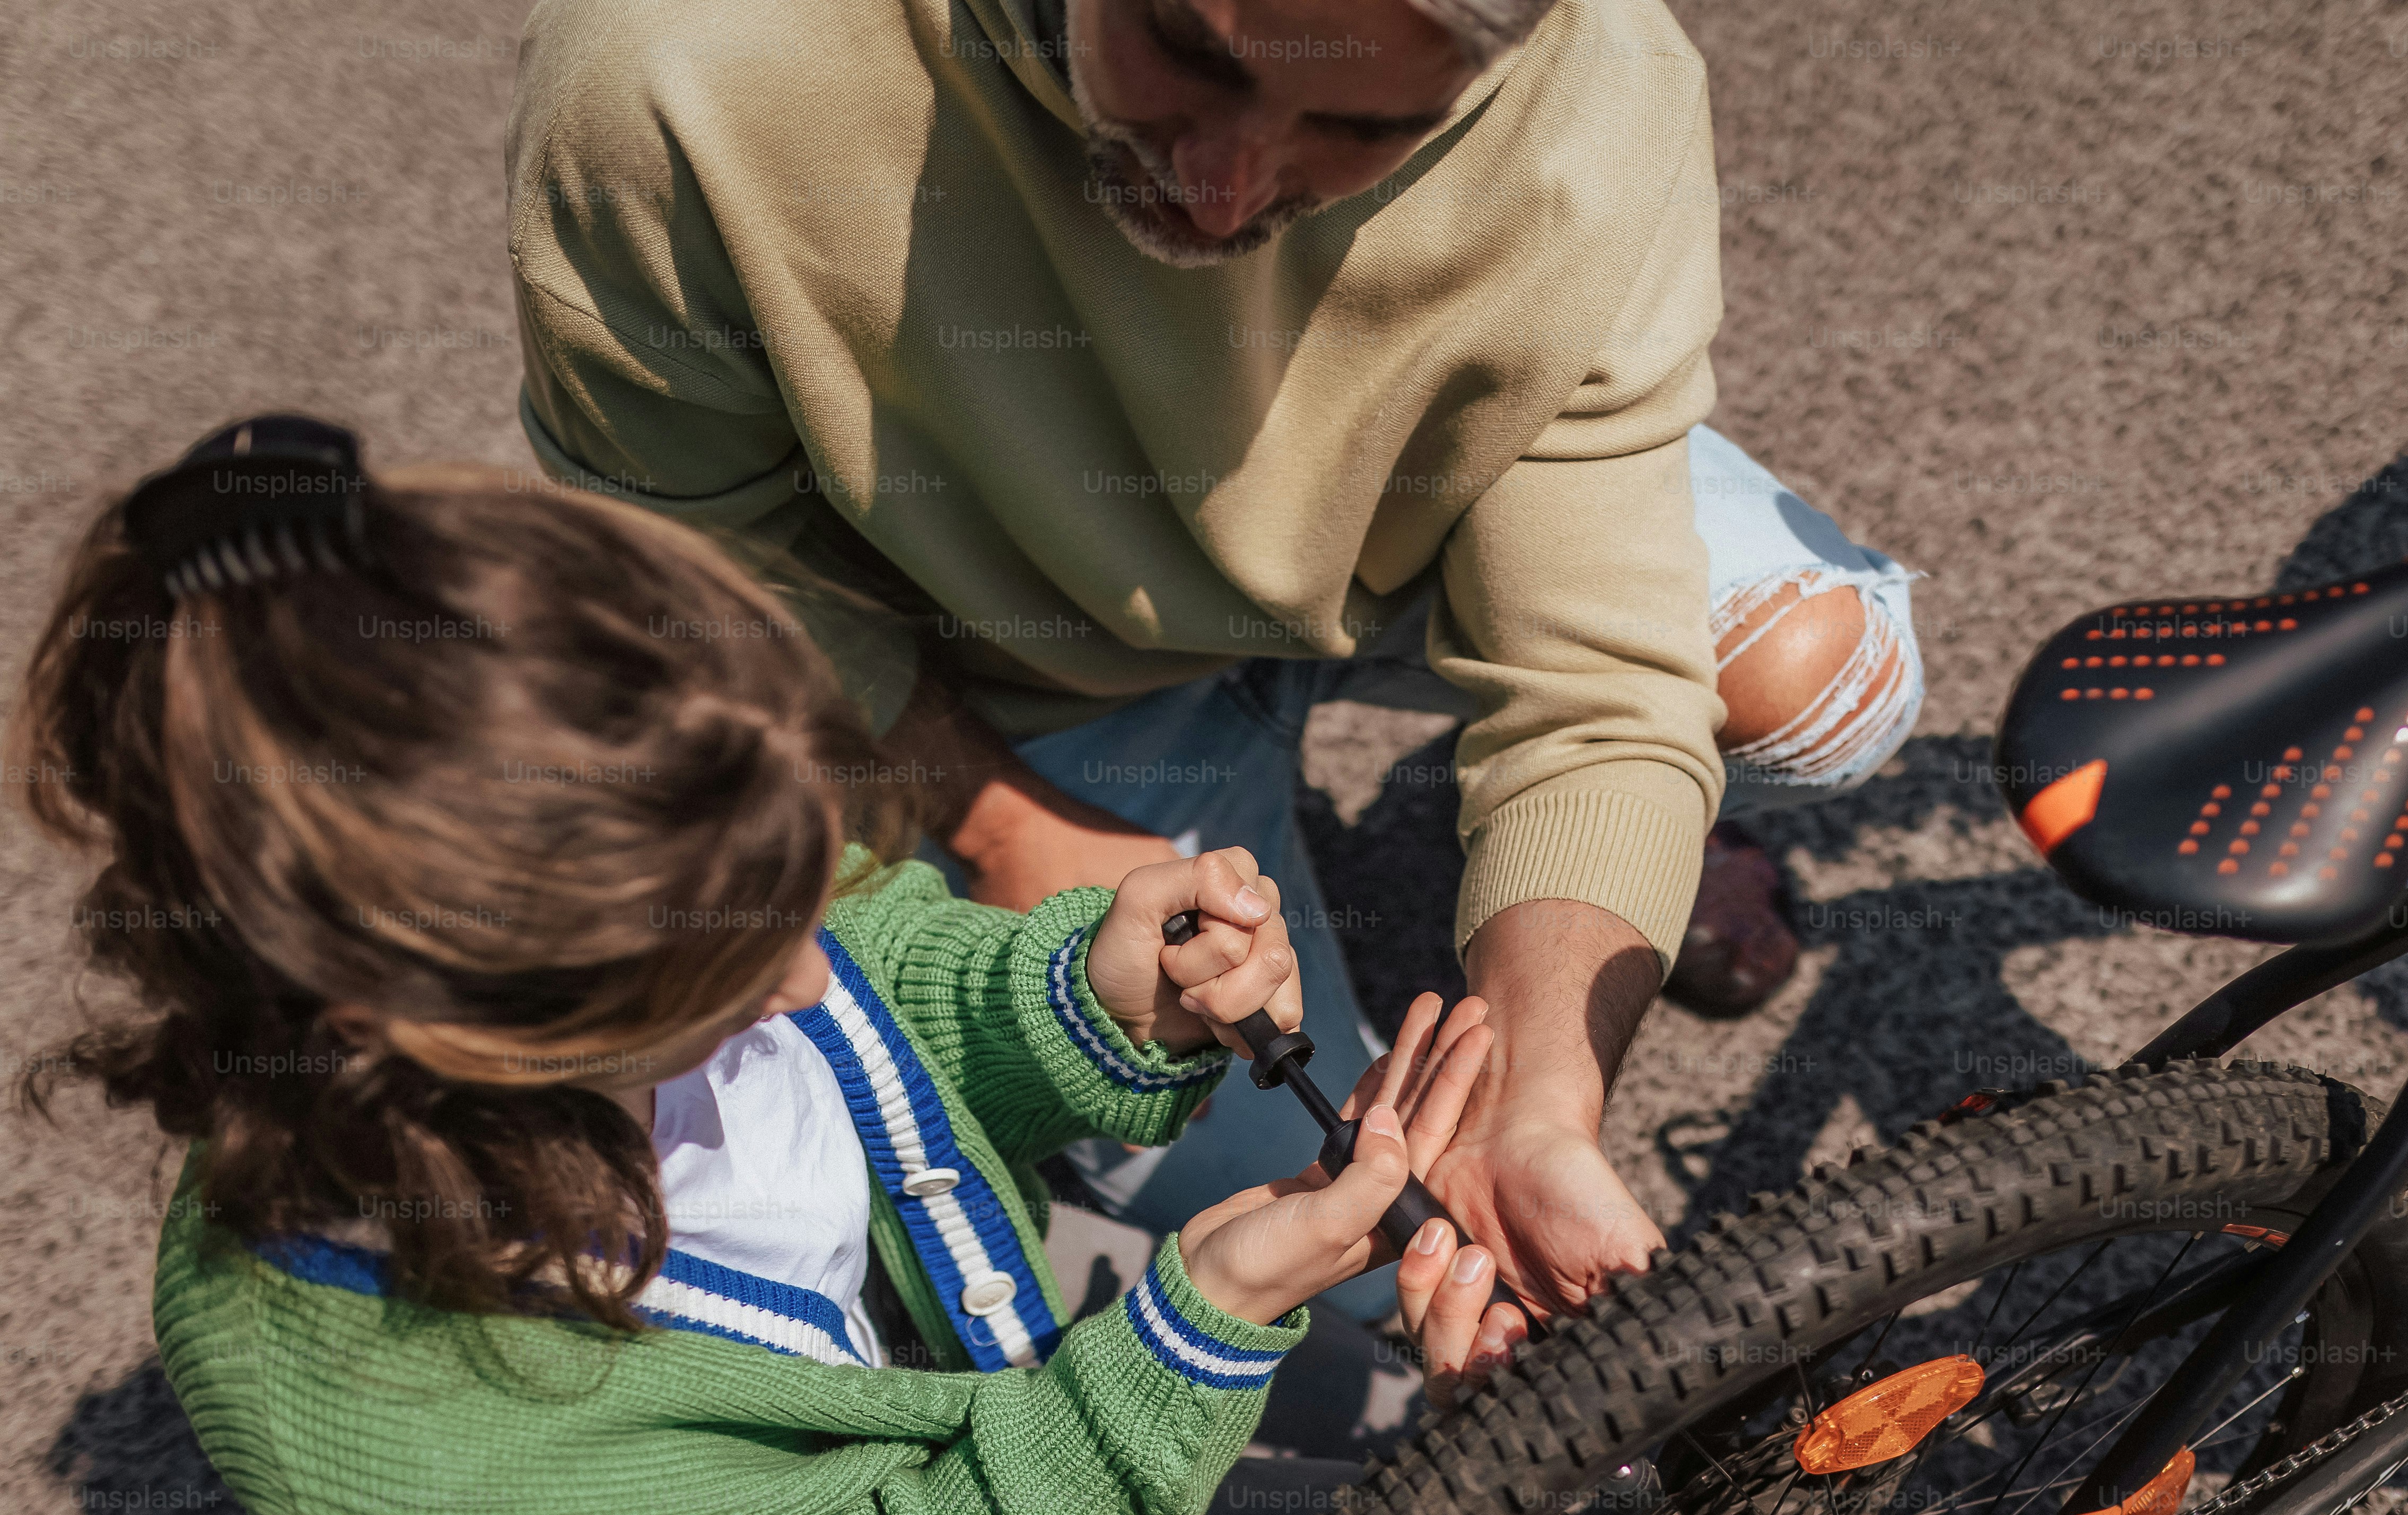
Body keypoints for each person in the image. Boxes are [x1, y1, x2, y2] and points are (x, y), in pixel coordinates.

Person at [10, 417, 1527, 1515]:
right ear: (448, 1030)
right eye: (729, 981)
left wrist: (1080, 995)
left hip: (932, 1323)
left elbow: (873, 965)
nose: (810, 986)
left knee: (1342, 1389)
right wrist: (1176, 1347)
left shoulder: (643, 891)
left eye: (805, 870)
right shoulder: (399, 1445)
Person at [503, 0, 1925, 1293]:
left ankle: (1526, 875)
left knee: (1825, 683)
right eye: (1188, 55)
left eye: (1364, 125)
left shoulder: (1605, 83)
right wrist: (1008, 828)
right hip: (993, 677)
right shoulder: (680, 61)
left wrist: (1543, 1094)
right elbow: (688, 563)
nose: (1222, 187)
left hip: (1392, 536)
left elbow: (1597, 680)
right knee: (1367, 1265)